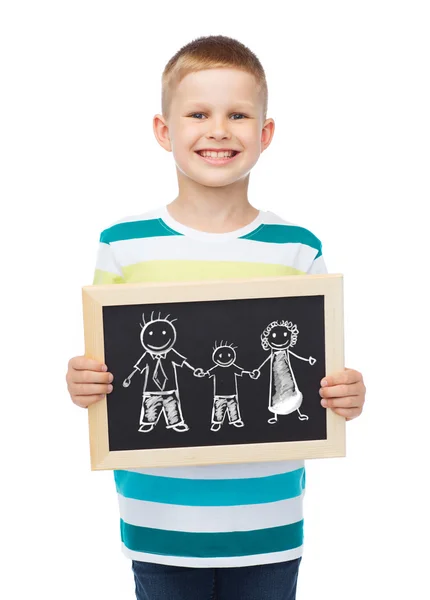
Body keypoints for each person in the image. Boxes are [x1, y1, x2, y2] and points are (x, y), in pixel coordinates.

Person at [66, 35, 366, 600]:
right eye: (199, 113)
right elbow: (102, 365)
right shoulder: (123, 244)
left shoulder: (297, 247)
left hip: (268, 520)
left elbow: (324, 371)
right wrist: (82, 382)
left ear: (265, 133)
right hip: (158, 520)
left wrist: (347, 392)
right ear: (164, 130)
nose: (219, 130)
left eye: (238, 114)